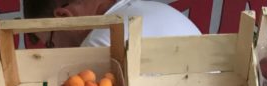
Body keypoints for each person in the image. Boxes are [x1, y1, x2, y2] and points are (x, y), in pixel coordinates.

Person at [21, 0, 201, 48]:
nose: (55, 52)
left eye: (51, 43)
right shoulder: (158, 8)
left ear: (63, 16)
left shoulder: (100, 42)